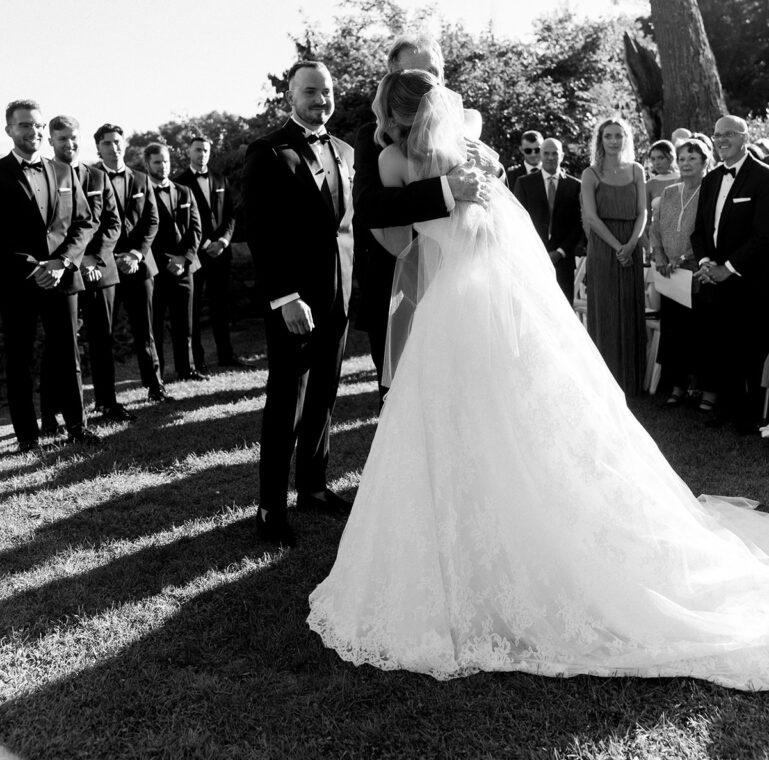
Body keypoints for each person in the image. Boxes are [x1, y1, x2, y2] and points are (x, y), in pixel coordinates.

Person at [308, 78, 769, 689]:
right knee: (514, 423)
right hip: (499, 305)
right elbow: (508, 237)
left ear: (395, 113)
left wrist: (425, 211)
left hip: (451, 308)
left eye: (377, 107)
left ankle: (475, 556)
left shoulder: (393, 161)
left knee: (453, 426)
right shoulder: (473, 154)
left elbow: (397, 244)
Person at [243, 61, 355, 549]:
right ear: (291, 97)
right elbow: (261, 233)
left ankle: (312, 485)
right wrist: (285, 296)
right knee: (287, 401)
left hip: (341, 294)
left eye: (326, 91)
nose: (320, 99)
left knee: (325, 395)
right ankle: (270, 506)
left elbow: (348, 226)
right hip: (295, 300)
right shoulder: (268, 151)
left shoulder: (347, 151)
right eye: (310, 91)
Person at [353, 33, 493, 405]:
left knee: (472, 389)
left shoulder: (466, 132)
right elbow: (370, 207)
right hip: (396, 286)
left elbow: (493, 195)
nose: (426, 82)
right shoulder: (373, 138)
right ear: (393, 77)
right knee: (403, 397)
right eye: (415, 72)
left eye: (432, 71)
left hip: (467, 278)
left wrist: (492, 173)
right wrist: (447, 189)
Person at [0, 99, 98, 451]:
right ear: (9, 129)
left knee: (67, 354)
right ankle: (28, 437)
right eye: (25, 125)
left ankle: (77, 427)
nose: (35, 131)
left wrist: (63, 263)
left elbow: (85, 222)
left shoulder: (63, 171)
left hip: (64, 277)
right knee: (20, 358)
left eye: (38, 125)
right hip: (19, 282)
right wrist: (35, 267)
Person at [40, 115, 127, 430]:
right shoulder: (45, 176)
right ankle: (50, 415)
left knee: (103, 339)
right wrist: (73, 261)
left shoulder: (95, 176)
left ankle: (108, 403)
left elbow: (112, 223)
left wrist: (95, 258)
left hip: (99, 270)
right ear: (51, 141)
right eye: (62, 139)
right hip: (63, 273)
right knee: (60, 346)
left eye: (73, 138)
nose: (69, 144)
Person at [691, 115, 769, 435]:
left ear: (744, 137)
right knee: (722, 347)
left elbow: (763, 235)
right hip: (716, 280)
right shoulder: (710, 179)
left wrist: (729, 269)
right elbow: (699, 231)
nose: (721, 140)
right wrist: (708, 262)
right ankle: (729, 408)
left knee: (750, 349)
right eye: (717, 135)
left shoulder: (764, 178)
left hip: (751, 281)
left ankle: (750, 417)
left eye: (728, 134)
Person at [93, 123, 170, 403]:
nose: (114, 147)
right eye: (107, 143)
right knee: (104, 334)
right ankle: (105, 399)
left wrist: (137, 254)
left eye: (117, 141)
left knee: (145, 330)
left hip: (140, 264)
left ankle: (156, 386)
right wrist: (111, 257)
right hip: (106, 267)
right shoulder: (90, 179)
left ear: (124, 144)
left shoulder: (141, 178)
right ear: (98, 148)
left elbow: (152, 220)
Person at [580, 117, 647, 396]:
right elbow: (592, 218)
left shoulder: (637, 170)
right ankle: (604, 382)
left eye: (619, 135)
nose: (614, 140)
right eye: (608, 136)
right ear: (600, 140)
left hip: (631, 245)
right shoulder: (590, 174)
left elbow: (643, 212)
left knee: (630, 309)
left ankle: (632, 381)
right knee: (606, 309)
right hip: (604, 248)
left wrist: (631, 245)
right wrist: (618, 246)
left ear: (626, 139)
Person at [650, 138, 716, 413]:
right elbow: (655, 229)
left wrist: (683, 258)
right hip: (669, 275)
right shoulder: (669, 192)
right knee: (673, 333)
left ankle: (706, 390)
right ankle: (676, 386)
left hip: (695, 274)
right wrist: (661, 255)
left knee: (701, 334)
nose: (686, 163)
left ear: (704, 162)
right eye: (682, 158)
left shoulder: (710, 192)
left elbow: (706, 232)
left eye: (692, 158)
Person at [173, 134, 244, 370]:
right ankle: (198, 361)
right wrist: (204, 245)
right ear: (189, 152)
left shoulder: (220, 178)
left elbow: (231, 214)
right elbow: (181, 223)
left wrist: (223, 241)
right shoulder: (179, 182)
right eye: (197, 150)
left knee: (221, 307)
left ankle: (226, 355)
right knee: (192, 310)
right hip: (196, 255)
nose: (202, 154)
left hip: (221, 253)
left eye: (205, 150)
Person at [144, 143, 205, 383]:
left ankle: (187, 369)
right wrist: (164, 262)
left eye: (166, 161)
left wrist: (184, 258)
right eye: (158, 162)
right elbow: (143, 232)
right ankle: (156, 376)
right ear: (147, 164)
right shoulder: (142, 191)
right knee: (155, 325)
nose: (163, 166)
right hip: (156, 270)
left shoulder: (184, 191)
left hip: (184, 268)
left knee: (185, 323)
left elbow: (196, 229)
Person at [513, 137, 583, 300]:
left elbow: (578, 224)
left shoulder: (575, 186)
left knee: (563, 313)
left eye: (555, 153)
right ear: (540, 155)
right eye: (546, 153)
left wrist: (560, 252)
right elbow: (518, 221)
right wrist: (536, 252)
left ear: (562, 156)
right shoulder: (524, 183)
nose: (551, 157)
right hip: (532, 260)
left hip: (563, 262)